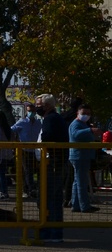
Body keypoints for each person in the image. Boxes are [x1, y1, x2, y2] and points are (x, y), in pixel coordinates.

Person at [36, 93, 69, 242]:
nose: (37, 108)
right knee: (52, 198)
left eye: (38, 105)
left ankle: (51, 232)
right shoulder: (55, 118)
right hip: (54, 162)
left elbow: (47, 137)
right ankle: (53, 232)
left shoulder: (50, 119)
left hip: (52, 163)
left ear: (47, 105)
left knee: (49, 198)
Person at [68, 103, 97, 214]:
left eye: (88, 114)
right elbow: (75, 135)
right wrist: (90, 130)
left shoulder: (83, 124)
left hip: (82, 156)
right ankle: (84, 206)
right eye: (83, 113)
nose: (86, 115)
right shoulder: (76, 124)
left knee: (77, 181)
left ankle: (76, 205)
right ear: (78, 113)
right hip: (79, 156)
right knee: (81, 182)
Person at [11, 104, 42, 198]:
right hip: (24, 150)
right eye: (29, 111)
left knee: (36, 170)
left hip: (36, 150)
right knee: (27, 170)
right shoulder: (22, 122)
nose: (31, 113)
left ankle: (33, 188)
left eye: (33, 111)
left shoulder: (38, 123)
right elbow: (12, 130)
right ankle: (29, 189)